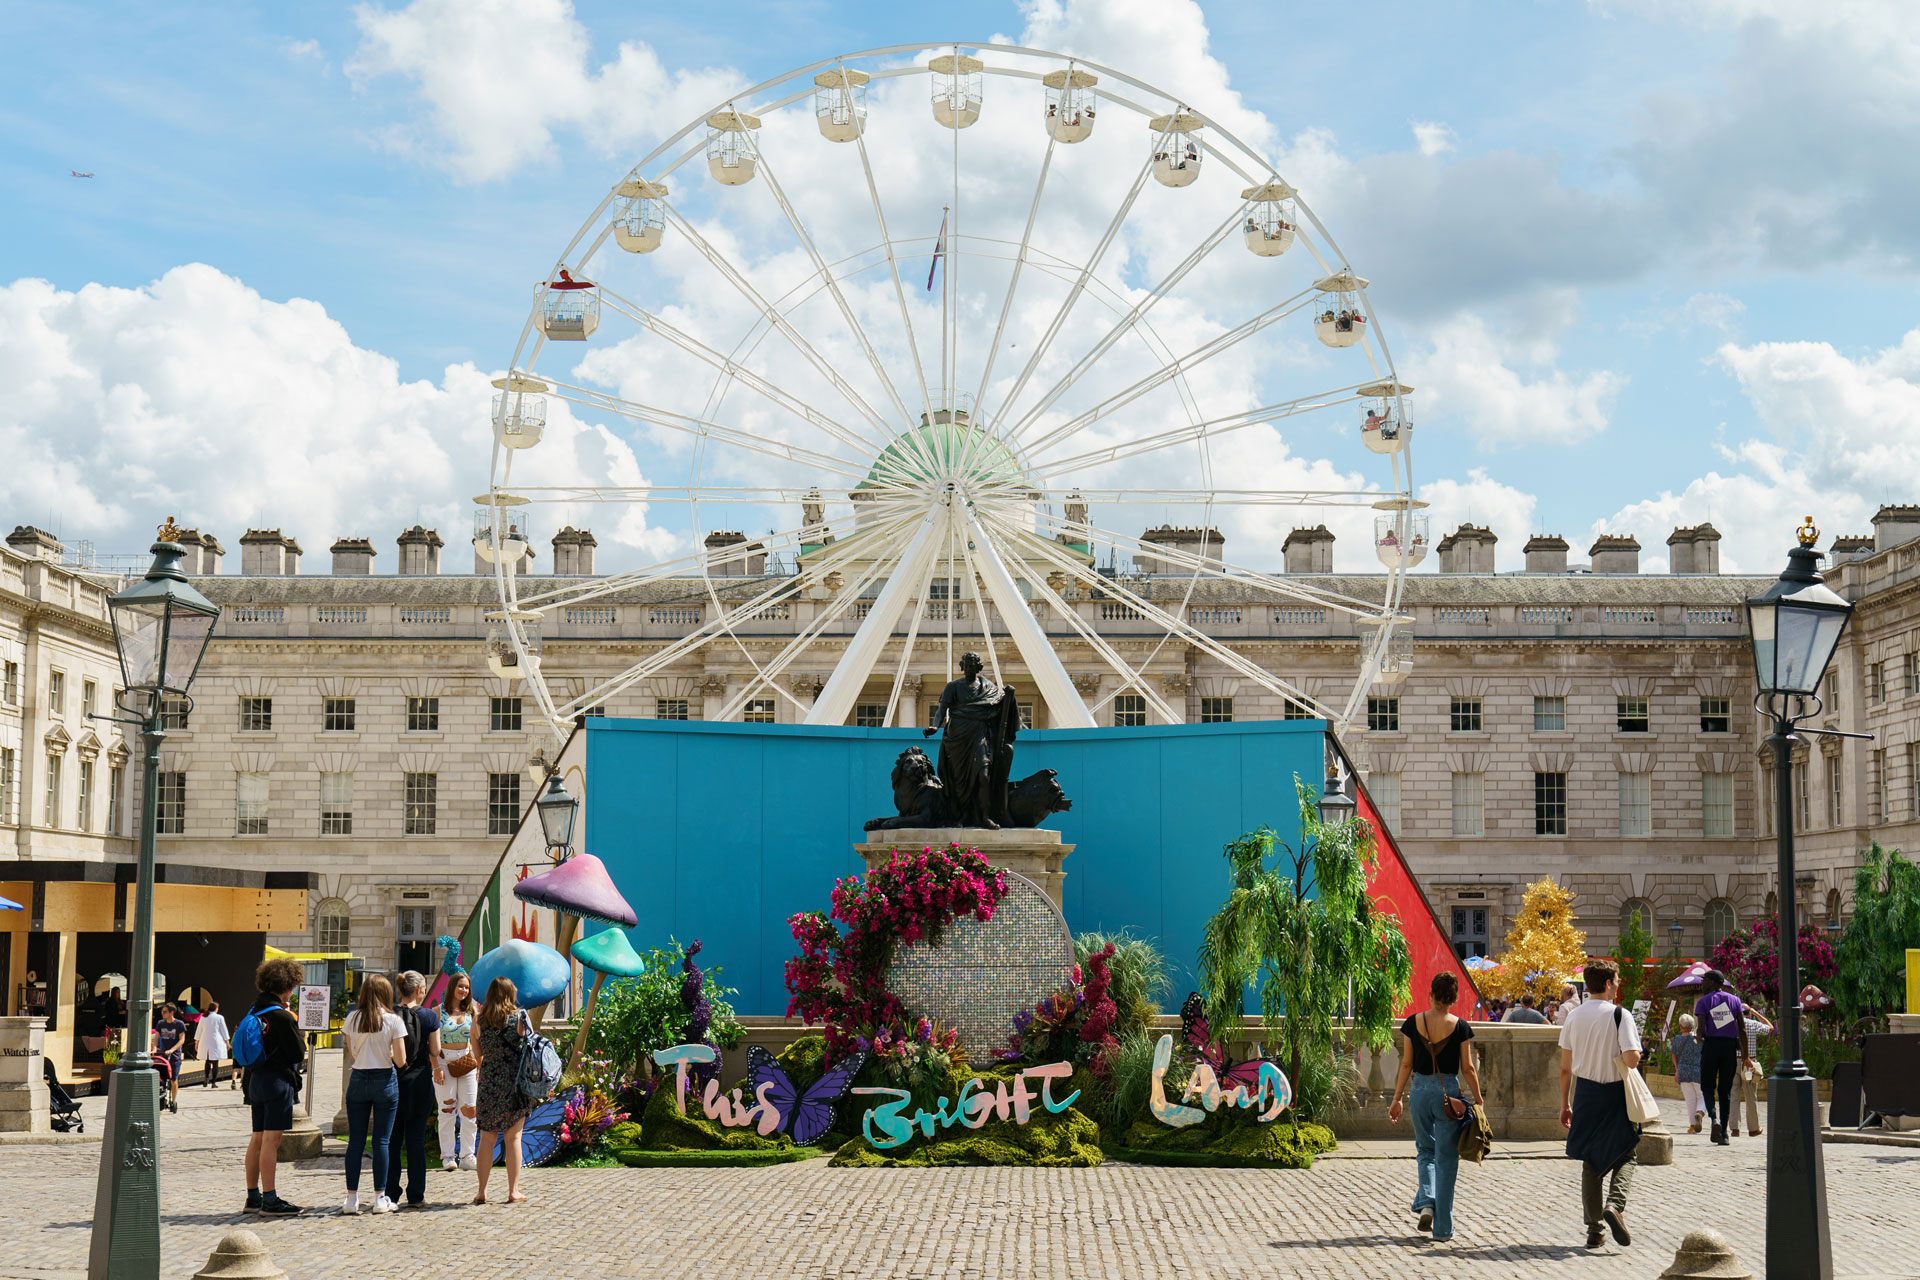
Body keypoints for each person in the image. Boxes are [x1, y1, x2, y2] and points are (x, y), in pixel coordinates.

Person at [1387, 971, 1485, 1243]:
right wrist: (1478, 1098)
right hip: (1448, 1096)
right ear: (1453, 998)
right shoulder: (1461, 1026)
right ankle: (1443, 1229)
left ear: (1431, 994)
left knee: (1425, 1151)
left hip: (1419, 1091)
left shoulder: (1412, 1023)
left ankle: (1427, 1202)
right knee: (1446, 1159)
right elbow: (1468, 1068)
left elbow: (1406, 1064)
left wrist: (1396, 1099)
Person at [1560, 960, 1642, 1250]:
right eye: (1617, 980)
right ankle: (1615, 1205)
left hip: (1585, 1095)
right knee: (1627, 1153)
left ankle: (1594, 1229)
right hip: (1615, 1095)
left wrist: (1565, 1103)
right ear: (1608, 983)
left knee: (1591, 1161)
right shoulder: (1620, 1015)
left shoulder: (1573, 1017)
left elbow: (1565, 1068)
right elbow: (1632, 1058)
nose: (1618, 984)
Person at [242, 958, 306, 1216]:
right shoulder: (281, 1016)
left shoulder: (253, 1010)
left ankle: (253, 1196)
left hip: (254, 1080)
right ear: (286, 986)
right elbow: (297, 1052)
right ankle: (270, 1199)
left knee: (257, 1138)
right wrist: (292, 1020)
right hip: (277, 1081)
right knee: (272, 1140)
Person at [341, 974, 407, 1215]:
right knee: (381, 1141)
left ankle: (351, 1198)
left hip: (359, 1078)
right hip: (384, 1079)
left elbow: (352, 1053)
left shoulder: (352, 1018)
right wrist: (387, 1051)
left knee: (355, 1142)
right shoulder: (393, 1020)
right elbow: (401, 1061)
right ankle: (380, 1197)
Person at [472, 976, 534, 1205]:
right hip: (514, 1084)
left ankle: (482, 1191)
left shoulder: (478, 1020)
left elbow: (478, 1054)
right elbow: (530, 1046)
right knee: (513, 1137)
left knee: (486, 1138)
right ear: (510, 994)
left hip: (489, 1083)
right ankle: (513, 1190)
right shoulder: (520, 1018)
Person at [383, 971, 441, 1208]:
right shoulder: (428, 1016)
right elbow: (435, 1050)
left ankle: (390, 1192)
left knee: (392, 1139)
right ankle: (416, 1194)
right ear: (419, 990)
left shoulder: (389, 1015)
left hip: (393, 1080)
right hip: (419, 1080)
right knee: (415, 1139)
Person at [1692, 969, 1746, 1145]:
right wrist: (1744, 1055)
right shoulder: (1735, 1000)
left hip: (1711, 1046)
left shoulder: (1703, 1001)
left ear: (1714, 983)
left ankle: (1714, 1118)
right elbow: (1742, 1028)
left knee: (1707, 1086)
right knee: (1725, 1090)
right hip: (1730, 1048)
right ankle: (1723, 1133)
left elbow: (1700, 1029)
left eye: (1705, 980)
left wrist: (1699, 1037)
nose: (1702, 983)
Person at [435, 973, 480, 1171]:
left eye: (467, 988)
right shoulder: (438, 1012)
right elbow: (431, 1043)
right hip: (444, 1061)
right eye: (460, 986)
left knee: (469, 1109)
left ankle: (468, 1155)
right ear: (452, 987)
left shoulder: (472, 1011)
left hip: (467, 1061)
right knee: (447, 1109)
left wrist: (480, 1063)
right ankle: (447, 1156)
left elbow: (478, 1039)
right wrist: (435, 1066)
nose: (464, 990)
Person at [1731, 1007, 1774, 1138]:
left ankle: (1734, 1128)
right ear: (1748, 1013)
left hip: (1733, 1062)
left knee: (1733, 1095)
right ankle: (1753, 1128)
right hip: (1748, 1064)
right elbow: (1770, 1027)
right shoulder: (1752, 1024)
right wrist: (1756, 1013)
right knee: (1750, 1095)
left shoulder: (1731, 1025)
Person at [1669, 1013, 1705, 1133]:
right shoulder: (1698, 1039)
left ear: (1681, 1026)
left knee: (1690, 1099)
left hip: (1683, 1071)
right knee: (1702, 1095)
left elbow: (1674, 1055)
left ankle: (1693, 1125)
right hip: (1697, 1070)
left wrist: (1676, 1070)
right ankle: (1699, 1112)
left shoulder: (1677, 1039)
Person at [153, 1004, 188, 1114]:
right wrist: (154, 1048)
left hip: (174, 1056)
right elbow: (156, 1037)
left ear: (171, 1013)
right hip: (163, 1055)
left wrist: (172, 1050)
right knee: (161, 1079)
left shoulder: (179, 1024)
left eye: (164, 1012)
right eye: (162, 1012)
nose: (162, 1014)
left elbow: (182, 1040)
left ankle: (173, 1100)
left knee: (173, 1079)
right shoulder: (160, 1023)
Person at [197, 999, 232, 1089]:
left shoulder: (203, 1017)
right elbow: (224, 1030)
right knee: (215, 1063)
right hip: (216, 1041)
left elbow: (199, 1030)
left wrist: (196, 1041)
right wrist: (227, 1042)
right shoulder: (219, 1017)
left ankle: (206, 1077)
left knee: (207, 1061)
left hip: (205, 1040)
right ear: (216, 1008)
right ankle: (213, 1082)